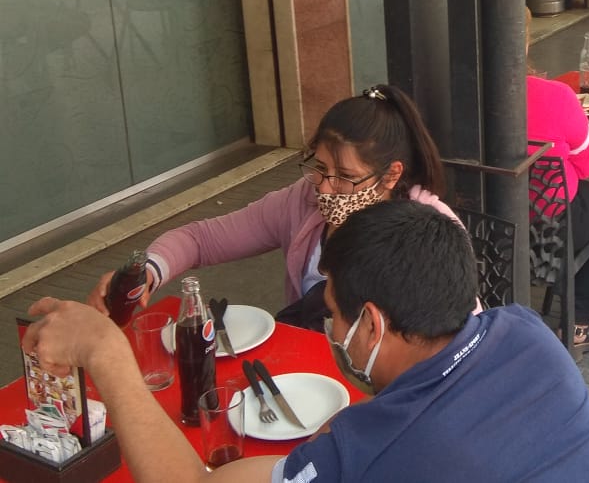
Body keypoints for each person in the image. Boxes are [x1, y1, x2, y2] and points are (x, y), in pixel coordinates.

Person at [25, 200, 589, 482]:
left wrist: (106, 354)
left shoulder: (381, 451)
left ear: (372, 324)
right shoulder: (527, 334)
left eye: (333, 315)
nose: (329, 329)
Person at [88, 85, 455, 331]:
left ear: (391, 175)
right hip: (303, 368)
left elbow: (459, 334)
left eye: (346, 176)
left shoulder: (427, 231)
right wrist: (147, 272)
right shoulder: (302, 201)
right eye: (319, 167)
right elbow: (200, 240)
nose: (326, 188)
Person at [525, 9, 589, 352]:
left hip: (482, 222)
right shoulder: (555, 96)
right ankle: (578, 321)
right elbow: (588, 164)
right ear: (525, 42)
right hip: (548, 226)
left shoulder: (455, 96)